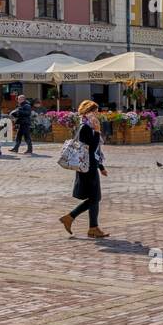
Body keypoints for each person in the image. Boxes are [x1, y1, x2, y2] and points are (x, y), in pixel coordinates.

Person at [60, 100, 109, 238]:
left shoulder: (88, 126)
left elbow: (94, 152)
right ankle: (70, 217)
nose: (97, 114)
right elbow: (91, 148)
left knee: (94, 198)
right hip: (86, 168)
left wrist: (101, 167)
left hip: (91, 165)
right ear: (88, 112)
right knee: (95, 198)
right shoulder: (85, 127)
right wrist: (98, 131)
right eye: (94, 111)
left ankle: (93, 228)